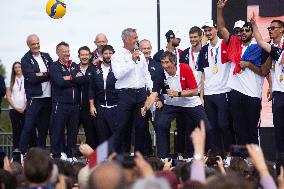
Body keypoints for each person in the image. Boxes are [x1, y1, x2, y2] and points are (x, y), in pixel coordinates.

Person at [142, 51, 212, 158]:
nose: (164, 66)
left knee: (206, 128)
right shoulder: (160, 73)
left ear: (174, 62)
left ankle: (206, 156)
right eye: (162, 63)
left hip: (191, 103)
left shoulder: (185, 68)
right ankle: (163, 158)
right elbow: (154, 94)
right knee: (160, 124)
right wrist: (145, 107)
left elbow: (194, 91)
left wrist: (177, 93)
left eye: (167, 62)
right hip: (172, 104)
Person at [217, 0, 268, 145]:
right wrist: (219, 10)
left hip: (252, 94)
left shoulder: (259, 48)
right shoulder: (234, 43)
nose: (243, 33)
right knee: (238, 129)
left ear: (252, 32)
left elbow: (263, 71)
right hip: (236, 92)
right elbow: (221, 28)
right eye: (241, 31)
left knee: (251, 129)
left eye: (247, 30)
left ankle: (254, 160)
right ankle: (242, 160)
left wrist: (249, 65)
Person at [249, 15, 284, 171]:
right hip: (279, 93)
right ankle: (280, 162)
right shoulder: (275, 49)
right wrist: (254, 25)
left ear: (282, 30)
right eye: (268, 28)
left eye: (272, 28)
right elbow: (260, 42)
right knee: (279, 129)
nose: (270, 30)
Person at [111, 28, 153, 154]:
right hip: (125, 94)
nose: (137, 40)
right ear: (127, 39)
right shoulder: (117, 56)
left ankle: (139, 156)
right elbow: (118, 75)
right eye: (135, 38)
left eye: (137, 37)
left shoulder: (140, 54)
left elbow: (146, 75)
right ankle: (123, 156)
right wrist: (132, 61)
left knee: (141, 126)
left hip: (140, 94)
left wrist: (151, 92)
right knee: (123, 126)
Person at [197, 20, 231, 152]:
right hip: (209, 93)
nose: (208, 32)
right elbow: (203, 73)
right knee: (212, 127)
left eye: (210, 29)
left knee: (224, 124)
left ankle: (228, 154)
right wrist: (202, 96)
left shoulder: (225, 44)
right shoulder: (204, 49)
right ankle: (216, 155)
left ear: (216, 29)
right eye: (205, 30)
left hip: (224, 91)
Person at [49, 41, 85, 159]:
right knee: (57, 131)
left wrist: (68, 78)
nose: (67, 54)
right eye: (64, 52)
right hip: (60, 104)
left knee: (73, 132)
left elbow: (82, 80)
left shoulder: (74, 64)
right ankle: (56, 156)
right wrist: (73, 78)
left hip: (75, 106)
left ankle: (70, 156)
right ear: (58, 53)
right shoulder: (54, 66)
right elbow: (59, 82)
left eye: (68, 51)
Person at [20, 34, 53, 155]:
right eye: (33, 44)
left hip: (48, 96)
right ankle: (22, 153)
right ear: (29, 45)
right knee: (28, 126)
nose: (37, 45)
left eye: (38, 43)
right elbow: (32, 78)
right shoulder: (25, 59)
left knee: (44, 128)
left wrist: (40, 74)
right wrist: (45, 75)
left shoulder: (46, 56)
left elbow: (53, 72)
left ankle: (41, 154)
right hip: (35, 97)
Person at [89, 45, 119, 148]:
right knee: (102, 137)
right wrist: (92, 106)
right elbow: (92, 88)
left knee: (116, 137)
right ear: (102, 55)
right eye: (106, 53)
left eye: (110, 53)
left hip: (115, 108)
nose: (108, 55)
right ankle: (103, 162)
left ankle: (116, 161)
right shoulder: (95, 69)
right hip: (100, 108)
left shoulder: (118, 69)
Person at [139, 39, 164, 156]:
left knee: (159, 128)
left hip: (155, 102)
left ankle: (162, 156)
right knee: (142, 130)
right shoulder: (135, 65)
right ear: (139, 50)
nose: (146, 51)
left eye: (148, 48)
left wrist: (160, 99)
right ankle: (147, 155)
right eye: (144, 48)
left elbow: (162, 85)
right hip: (140, 102)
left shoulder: (158, 66)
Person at [6, 62, 36, 150]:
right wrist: (15, 108)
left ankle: (31, 150)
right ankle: (17, 151)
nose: (18, 69)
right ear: (14, 69)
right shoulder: (10, 80)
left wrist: (24, 107)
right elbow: (8, 96)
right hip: (13, 110)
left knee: (29, 130)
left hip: (26, 109)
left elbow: (30, 94)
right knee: (16, 131)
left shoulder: (27, 79)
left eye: (19, 67)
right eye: (16, 67)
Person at [77, 46, 98, 149]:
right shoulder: (74, 68)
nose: (84, 57)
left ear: (90, 56)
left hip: (88, 107)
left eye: (86, 55)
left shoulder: (94, 69)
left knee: (90, 133)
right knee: (72, 133)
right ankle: (71, 157)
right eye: (82, 55)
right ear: (79, 56)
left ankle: (91, 159)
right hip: (75, 106)